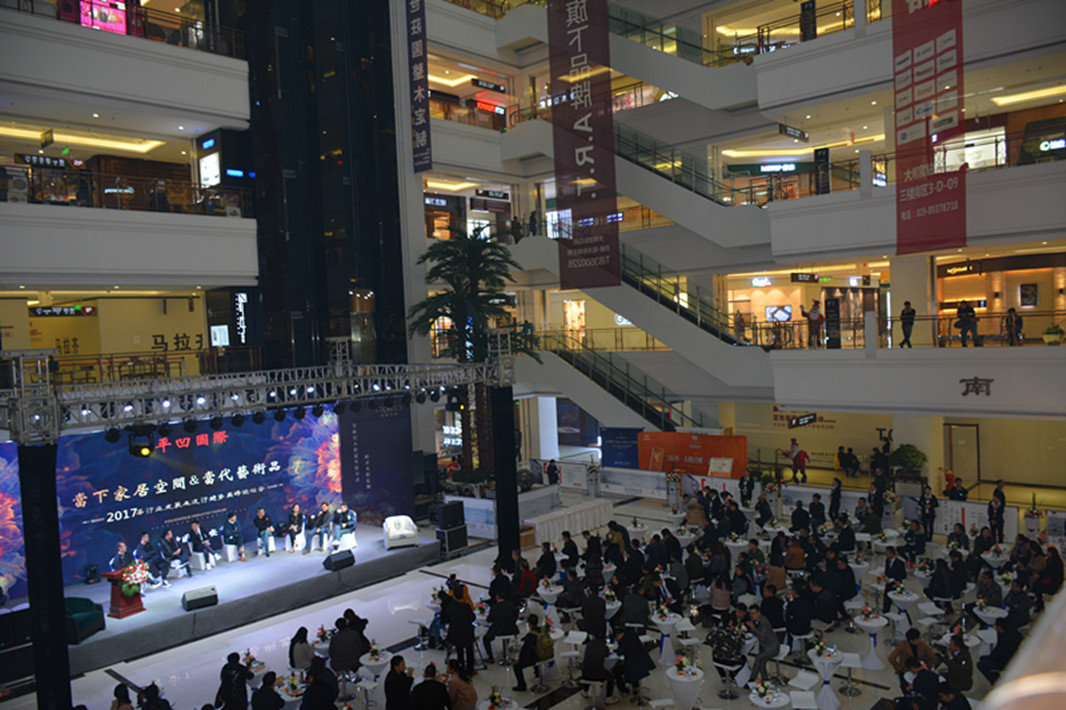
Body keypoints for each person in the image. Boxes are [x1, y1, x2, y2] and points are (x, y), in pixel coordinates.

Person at [977, 618, 1020, 683]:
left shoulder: (1005, 641)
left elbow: (997, 655)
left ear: (999, 627)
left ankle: (994, 680)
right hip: (1010, 658)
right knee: (983, 659)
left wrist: (988, 658)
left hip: (1004, 662)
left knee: (981, 664)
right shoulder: (1009, 634)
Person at [446, 588, 476, 676]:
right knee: (469, 652)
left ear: (454, 596)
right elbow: (472, 618)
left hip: (456, 632)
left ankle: (461, 669)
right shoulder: (466, 607)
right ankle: (470, 671)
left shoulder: (450, 607)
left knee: (460, 652)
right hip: (467, 632)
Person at [483, 591, 519, 663]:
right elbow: (515, 616)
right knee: (506, 634)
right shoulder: (512, 606)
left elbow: (489, 619)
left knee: (486, 639)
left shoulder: (495, 607)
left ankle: (490, 657)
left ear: (497, 597)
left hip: (498, 630)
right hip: (511, 629)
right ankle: (505, 650)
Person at [747, 604, 779, 681]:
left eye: (753, 613)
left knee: (758, 658)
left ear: (759, 613)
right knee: (761, 663)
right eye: (750, 613)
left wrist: (753, 628)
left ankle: (752, 678)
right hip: (763, 646)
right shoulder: (753, 620)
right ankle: (765, 679)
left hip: (772, 647)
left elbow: (762, 635)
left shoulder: (764, 622)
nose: (752, 615)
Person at [882, 546, 907, 612]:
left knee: (898, 602)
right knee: (886, 601)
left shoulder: (900, 563)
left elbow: (904, 575)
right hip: (888, 584)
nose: (885, 554)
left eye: (887, 552)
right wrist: (884, 575)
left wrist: (895, 579)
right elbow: (887, 572)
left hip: (896, 585)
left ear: (892, 553)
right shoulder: (887, 560)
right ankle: (885, 613)